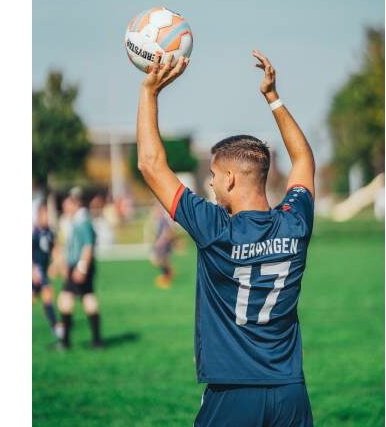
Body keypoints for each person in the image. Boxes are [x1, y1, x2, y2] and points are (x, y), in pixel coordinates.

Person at [136, 50, 315, 426]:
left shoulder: (214, 228)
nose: (211, 184)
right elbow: (303, 160)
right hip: (290, 392)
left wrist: (149, 92)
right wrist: (273, 98)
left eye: (214, 176)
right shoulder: (296, 222)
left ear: (230, 179)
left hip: (234, 393)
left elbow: (150, 165)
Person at [55, 187, 104, 350]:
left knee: (65, 299)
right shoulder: (79, 220)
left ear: (75, 204)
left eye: (67, 204)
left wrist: (81, 268)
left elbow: (88, 246)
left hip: (79, 267)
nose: (64, 207)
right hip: (79, 266)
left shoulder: (82, 221)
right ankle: (96, 341)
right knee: (87, 298)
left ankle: (65, 342)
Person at [32, 203, 58, 335]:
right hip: (36, 270)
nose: (47, 218)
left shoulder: (49, 232)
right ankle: (56, 327)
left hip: (43, 270)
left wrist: (55, 264)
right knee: (46, 294)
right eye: (45, 215)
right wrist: (32, 270)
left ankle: (55, 327)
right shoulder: (34, 233)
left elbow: (54, 249)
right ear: (38, 216)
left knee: (45, 297)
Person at [149, 201, 176, 289]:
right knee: (160, 260)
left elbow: (167, 232)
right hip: (161, 245)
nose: (154, 212)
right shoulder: (157, 221)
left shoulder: (162, 220)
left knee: (160, 260)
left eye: (156, 210)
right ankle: (168, 274)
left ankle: (166, 278)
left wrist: (160, 242)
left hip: (164, 245)